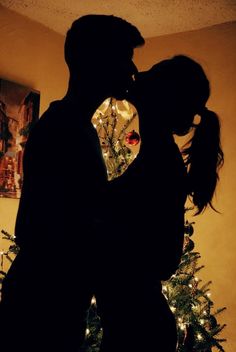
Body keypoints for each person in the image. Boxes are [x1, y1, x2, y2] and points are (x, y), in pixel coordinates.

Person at [0, 15, 144, 352]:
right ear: (97, 61)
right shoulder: (65, 129)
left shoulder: (75, 127)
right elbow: (52, 224)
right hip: (44, 302)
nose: (132, 70)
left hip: (51, 296)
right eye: (124, 57)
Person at [101, 55, 224, 351]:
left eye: (152, 76)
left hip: (138, 329)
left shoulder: (160, 163)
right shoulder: (159, 159)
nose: (139, 78)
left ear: (163, 99)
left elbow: (163, 259)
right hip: (138, 322)